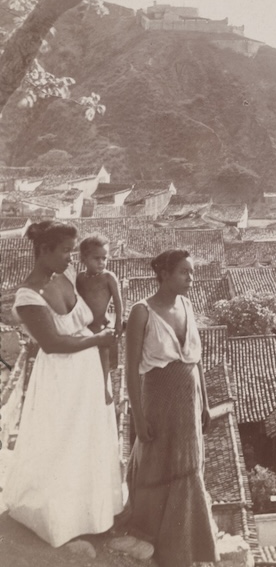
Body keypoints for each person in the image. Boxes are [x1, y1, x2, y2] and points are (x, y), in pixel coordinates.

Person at [5, 220, 123, 547]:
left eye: (73, 251)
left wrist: (105, 334)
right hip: (60, 376)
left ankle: (93, 516)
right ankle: (62, 521)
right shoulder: (28, 295)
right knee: (62, 444)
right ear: (44, 250)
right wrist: (98, 339)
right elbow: (53, 344)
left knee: (89, 441)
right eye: (66, 251)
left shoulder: (66, 278)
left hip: (87, 371)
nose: (72, 258)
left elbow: (91, 315)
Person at [123, 249, 218, 567]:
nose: (191, 278)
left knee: (188, 465)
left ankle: (184, 545)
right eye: (184, 272)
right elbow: (131, 369)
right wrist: (138, 416)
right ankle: (151, 540)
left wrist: (205, 401)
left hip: (189, 402)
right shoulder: (141, 312)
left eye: (192, 272)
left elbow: (197, 358)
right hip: (158, 399)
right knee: (157, 462)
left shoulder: (188, 306)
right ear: (163, 273)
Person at [76, 233, 123, 405]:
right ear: (84, 258)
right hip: (85, 325)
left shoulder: (108, 277)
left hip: (102, 324)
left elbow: (118, 301)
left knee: (103, 351)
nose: (102, 262)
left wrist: (118, 323)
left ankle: (104, 387)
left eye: (105, 258)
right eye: (97, 258)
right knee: (85, 355)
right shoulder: (80, 278)